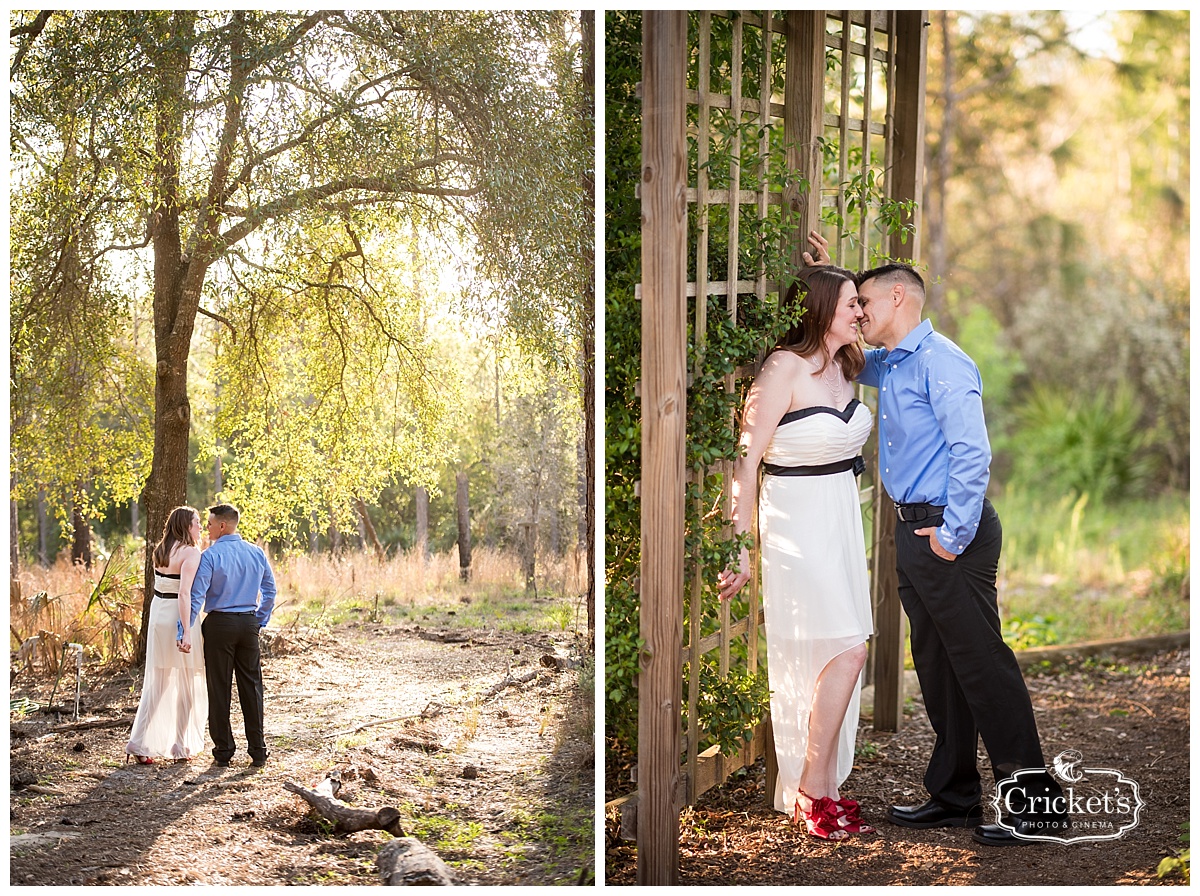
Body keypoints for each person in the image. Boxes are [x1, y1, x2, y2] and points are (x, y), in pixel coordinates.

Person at [815, 237, 1068, 846]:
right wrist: (825, 278)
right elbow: (836, 349)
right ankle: (954, 794)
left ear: (898, 297)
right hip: (914, 531)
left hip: (951, 532)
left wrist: (952, 537)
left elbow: (971, 453)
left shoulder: (943, 362)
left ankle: (1038, 805)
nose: (859, 314)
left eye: (866, 301)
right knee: (937, 666)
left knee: (982, 665)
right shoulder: (891, 361)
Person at [717, 265, 876, 841]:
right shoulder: (782, 367)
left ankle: (826, 788)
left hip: (838, 518)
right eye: (851, 304)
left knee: (840, 649)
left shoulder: (845, 366)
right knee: (850, 649)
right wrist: (740, 547)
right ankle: (812, 788)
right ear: (819, 309)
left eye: (860, 303)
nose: (861, 312)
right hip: (795, 522)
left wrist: (828, 261)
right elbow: (746, 460)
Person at [180, 503, 277, 769]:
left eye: (210, 524)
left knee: (218, 687)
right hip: (248, 624)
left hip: (219, 626)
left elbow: (197, 597)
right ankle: (258, 751)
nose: (207, 528)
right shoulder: (256, 553)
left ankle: (223, 751)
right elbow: (270, 591)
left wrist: (184, 629)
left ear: (222, 525)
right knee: (252, 687)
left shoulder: (210, 556)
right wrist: (260, 619)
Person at [126, 506, 208, 763]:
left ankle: (139, 742)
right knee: (187, 681)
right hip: (178, 614)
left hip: (158, 612)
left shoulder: (160, 550)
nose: (200, 527)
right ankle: (180, 745)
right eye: (196, 523)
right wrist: (184, 631)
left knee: (158, 679)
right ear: (186, 526)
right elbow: (184, 593)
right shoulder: (191, 553)